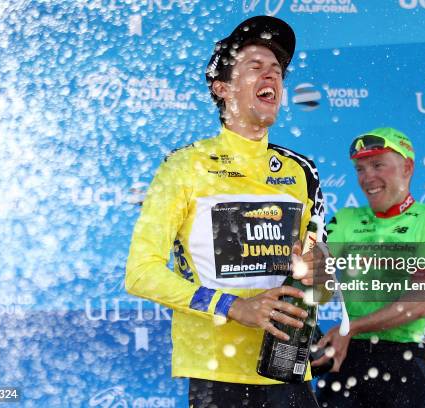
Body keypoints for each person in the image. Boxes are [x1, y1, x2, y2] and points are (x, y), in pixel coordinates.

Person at [125, 16, 326, 408]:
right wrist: (234, 307)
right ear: (223, 88)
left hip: (288, 371)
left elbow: (317, 281)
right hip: (216, 374)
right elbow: (140, 274)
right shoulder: (183, 167)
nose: (272, 74)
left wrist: (321, 274)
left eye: (277, 70)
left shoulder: (301, 171)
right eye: (255, 66)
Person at [312, 127, 425, 407]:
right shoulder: (346, 219)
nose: (367, 178)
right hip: (346, 362)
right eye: (360, 169)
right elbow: (314, 282)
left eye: (378, 165)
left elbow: (421, 301)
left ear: (407, 167)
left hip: (404, 365)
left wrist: (351, 327)